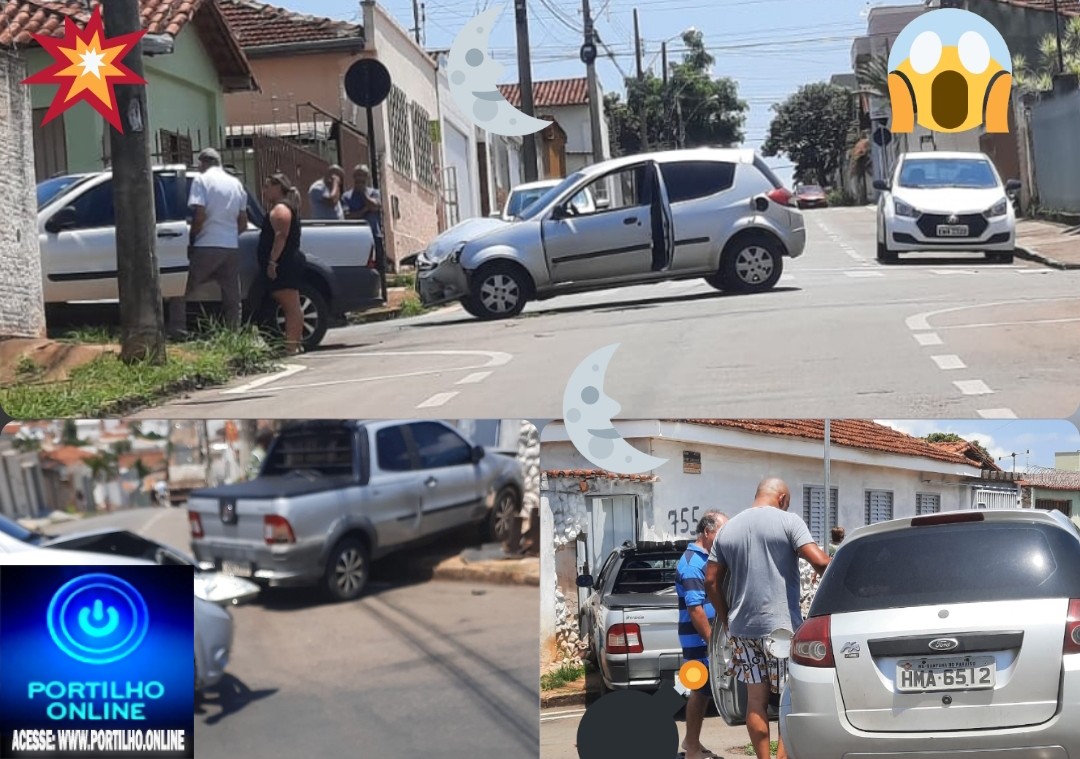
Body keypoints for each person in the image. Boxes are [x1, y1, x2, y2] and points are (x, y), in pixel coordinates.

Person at [705, 478, 831, 759]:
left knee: (755, 700)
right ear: (783, 498)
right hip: (782, 631)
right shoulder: (789, 522)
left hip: (742, 630)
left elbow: (711, 581)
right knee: (790, 699)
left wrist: (726, 620)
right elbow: (821, 562)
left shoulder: (728, 530)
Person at [168, 147, 248, 338]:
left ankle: (177, 329)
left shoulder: (201, 180)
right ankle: (233, 334)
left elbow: (200, 214)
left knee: (181, 288)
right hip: (230, 246)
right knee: (232, 295)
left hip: (207, 244)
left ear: (202, 163)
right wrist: (229, 234)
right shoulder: (236, 183)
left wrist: (193, 237)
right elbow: (243, 221)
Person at [676, 510, 728, 759]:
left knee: (705, 690)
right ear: (708, 532)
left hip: (707, 637)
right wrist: (712, 643)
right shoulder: (692, 563)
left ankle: (691, 741)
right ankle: (692, 748)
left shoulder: (706, 558)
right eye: (721, 532)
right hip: (699, 639)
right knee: (699, 689)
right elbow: (695, 609)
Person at [259, 173, 306, 355]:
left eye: (267, 186)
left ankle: (291, 346)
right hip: (285, 263)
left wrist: (272, 262)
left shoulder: (281, 210)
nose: (264, 191)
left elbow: (281, 236)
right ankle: (295, 343)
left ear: (278, 187)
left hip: (284, 264)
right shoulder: (282, 208)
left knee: (291, 307)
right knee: (291, 305)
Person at [343, 164, 385, 269]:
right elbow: (347, 216)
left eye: (363, 175)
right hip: (355, 237)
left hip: (374, 236)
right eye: (357, 175)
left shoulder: (374, 193)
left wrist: (363, 194)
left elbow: (375, 207)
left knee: (378, 268)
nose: (360, 178)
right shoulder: (346, 196)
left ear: (367, 177)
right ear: (353, 177)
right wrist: (365, 210)